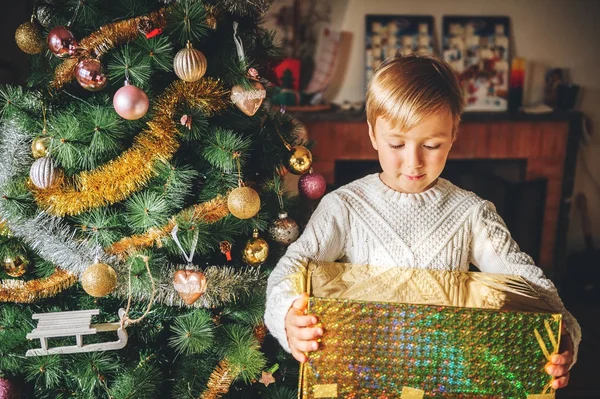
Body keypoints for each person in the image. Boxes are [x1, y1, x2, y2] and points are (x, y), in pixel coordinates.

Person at [265, 54, 581, 390]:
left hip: (445, 382)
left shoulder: (472, 213)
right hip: (364, 381)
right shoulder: (344, 206)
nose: (413, 162)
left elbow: (528, 283)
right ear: (373, 134)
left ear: (453, 135)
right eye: (397, 144)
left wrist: (565, 336)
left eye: (431, 145)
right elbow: (291, 269)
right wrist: (288, 316)